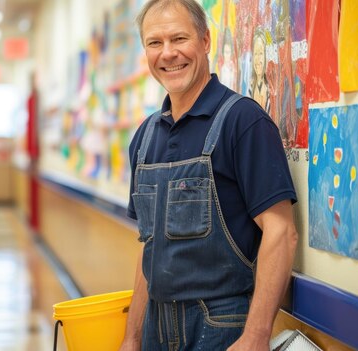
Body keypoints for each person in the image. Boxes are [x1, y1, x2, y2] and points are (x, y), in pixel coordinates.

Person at [121, 1, 298, 350]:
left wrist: (256, 335)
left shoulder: (243, 122)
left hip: (222, 325)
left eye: (179, 38)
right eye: (154, 43)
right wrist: (133, 336)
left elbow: (282, 231)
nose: (168, 53)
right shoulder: (143, 140)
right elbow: (150, 250)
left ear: (205, 40)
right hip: (157, 326)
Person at [249, 28, 270, 114]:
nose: (257, 59)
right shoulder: (250, 88)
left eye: (261, 53)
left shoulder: (271, 88)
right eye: (255, 54)